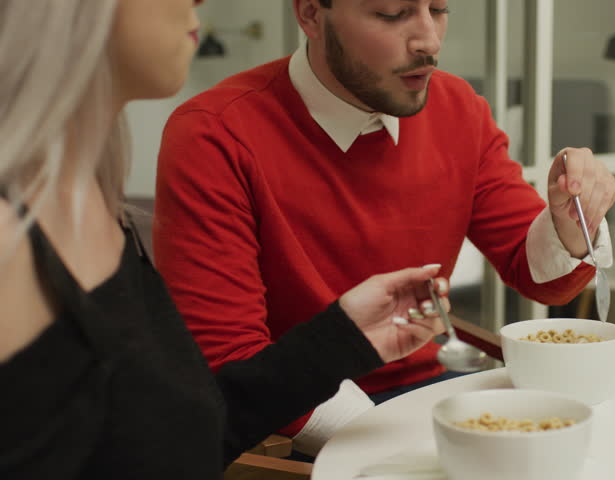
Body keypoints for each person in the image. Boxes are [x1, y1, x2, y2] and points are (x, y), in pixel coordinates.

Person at [0, 0, 451, 477]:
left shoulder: (92, 201)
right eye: (389, 14)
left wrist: (339, 341)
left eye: (439, 9)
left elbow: (179, 438)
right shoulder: (12, 248)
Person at [154, 0, 615, 457]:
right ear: (311, 14)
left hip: (434, 387)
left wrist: (570, 221)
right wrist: (413, 444)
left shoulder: (458, 107)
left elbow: (538, 274)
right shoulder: (215, 133)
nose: (429, 41)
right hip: (298, 417)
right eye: (392, 14)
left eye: (438, 9)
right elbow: (229, 357)